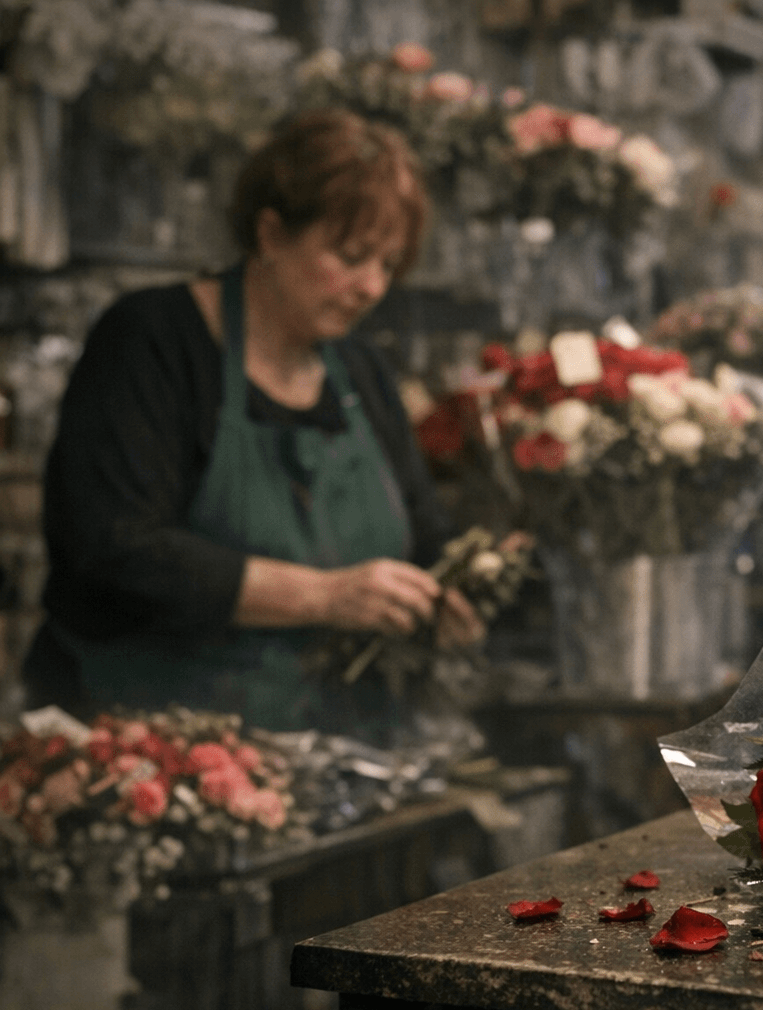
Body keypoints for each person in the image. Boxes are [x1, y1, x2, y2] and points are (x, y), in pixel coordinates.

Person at [23, 108, 484, 739]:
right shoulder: (153, 342)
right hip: (147, 749)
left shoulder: (361, 372)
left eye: (388, 264)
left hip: (330, 747)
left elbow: (424, 532)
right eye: (351, 257)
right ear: (270, 233)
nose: (371, 286)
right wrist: (323, 596)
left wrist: (456, 588)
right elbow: (116, 551)